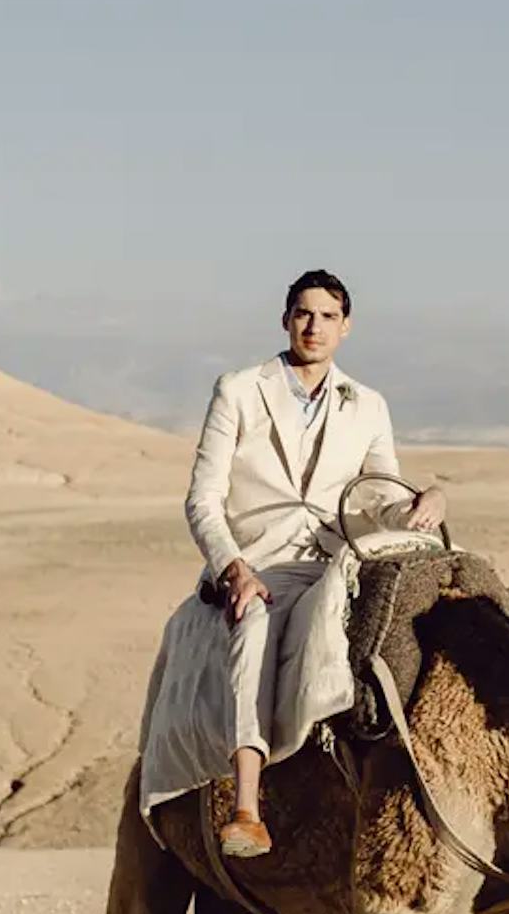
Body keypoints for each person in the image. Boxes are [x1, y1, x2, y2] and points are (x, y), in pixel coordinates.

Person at [177, 269, 440, 857]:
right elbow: (203, 498)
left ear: (345, 328)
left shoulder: (368, 404)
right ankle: (248, 805)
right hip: (259, 563)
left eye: (326, 316)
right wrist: (234, 568)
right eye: (303, 313)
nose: (313, 326)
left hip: (335, 564)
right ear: (285, 319)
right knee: (253, 627)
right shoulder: (239, 389)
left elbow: (378, 495)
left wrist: (421, 502)